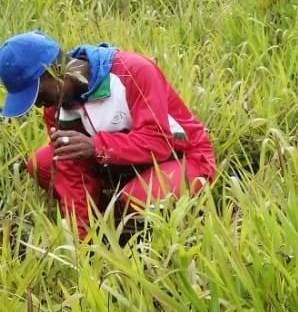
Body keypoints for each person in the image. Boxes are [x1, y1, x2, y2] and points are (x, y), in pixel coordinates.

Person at [0, 31, 215, 239]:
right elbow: (70, 171)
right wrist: (82, 242)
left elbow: (158, 142)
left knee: (137, 199)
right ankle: (112, 212)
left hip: (182, 157)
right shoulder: (55, 108)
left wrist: (97, 147)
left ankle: (126, 218)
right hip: (122, 167)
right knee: (43, 163)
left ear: (54, 71)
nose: (38, 104)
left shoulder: (132, 72)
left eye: (38, 94)